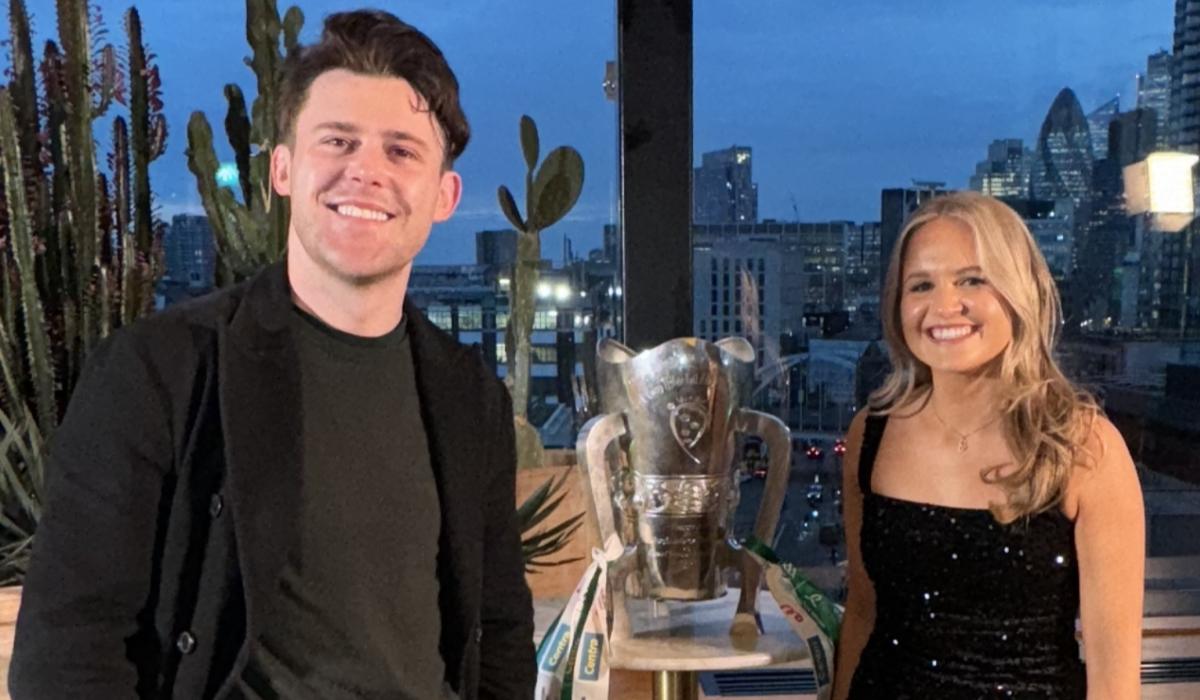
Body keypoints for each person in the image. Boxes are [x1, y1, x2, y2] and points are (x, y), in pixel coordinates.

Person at [9, 10, 535, 700]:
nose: (365, 172)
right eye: (338, 141)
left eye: (401, 151)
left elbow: (498, 632)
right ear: (283, 168)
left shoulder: (468, 396)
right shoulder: (161, 372)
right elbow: (67, 654)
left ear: (445, 195)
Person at [833, 192, 1144, 699]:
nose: (944, 306)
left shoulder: (1084, 448)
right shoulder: (871, 433)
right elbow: (863, 614)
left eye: (972, 280)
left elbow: (1114, 683)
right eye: (921, 285)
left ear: (1019, 291)